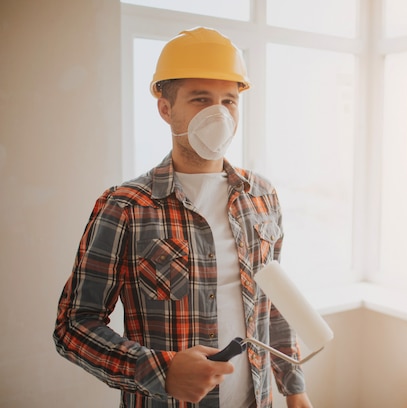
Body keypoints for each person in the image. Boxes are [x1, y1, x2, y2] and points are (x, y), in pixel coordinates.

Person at [53, 27, 313, 408]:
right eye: (201, 99)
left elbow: (273, 302)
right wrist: (160, 372)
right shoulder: (126, 207)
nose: (219, 114)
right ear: (165, 108)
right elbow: (74, 326)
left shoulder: (261, 197)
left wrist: (295, 390)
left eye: (229, 100)